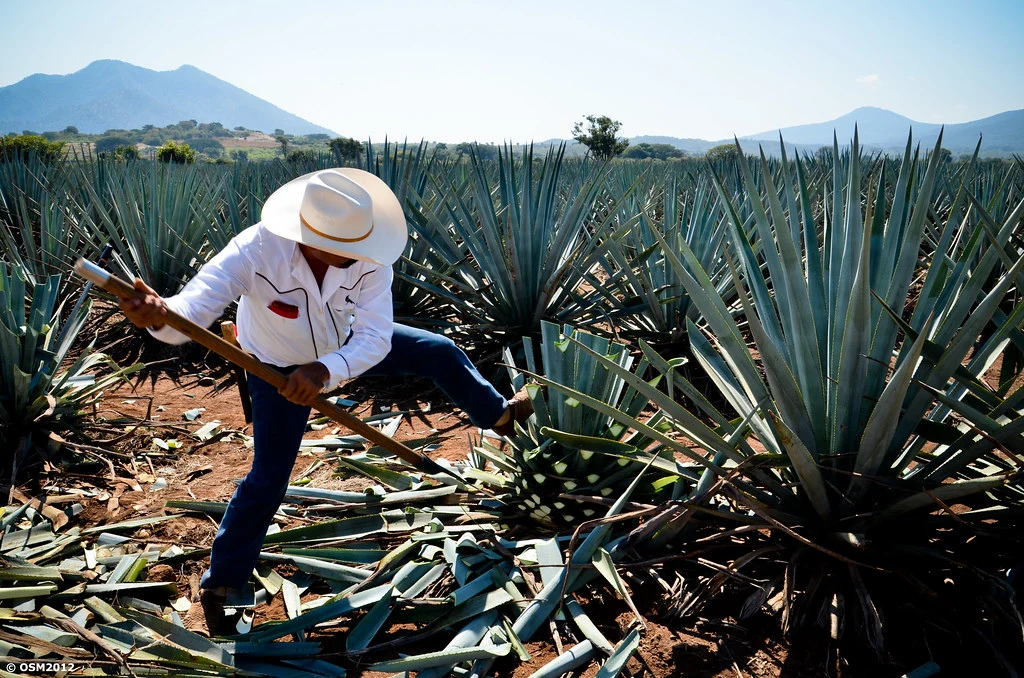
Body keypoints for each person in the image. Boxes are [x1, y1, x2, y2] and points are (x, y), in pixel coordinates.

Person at [119, 168, 532, 635]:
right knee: (270, 476)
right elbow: (188, 316)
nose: (351, 257)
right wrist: (157, 316)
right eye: (338, 248)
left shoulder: (369, 255)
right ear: (304, 233)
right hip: (273, 368)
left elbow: (375, 336)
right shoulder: (255, 250)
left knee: (438, 351)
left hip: (344, 350)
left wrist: (324, 370)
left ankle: (498, 414)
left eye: (356, 248)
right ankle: (224, 583)